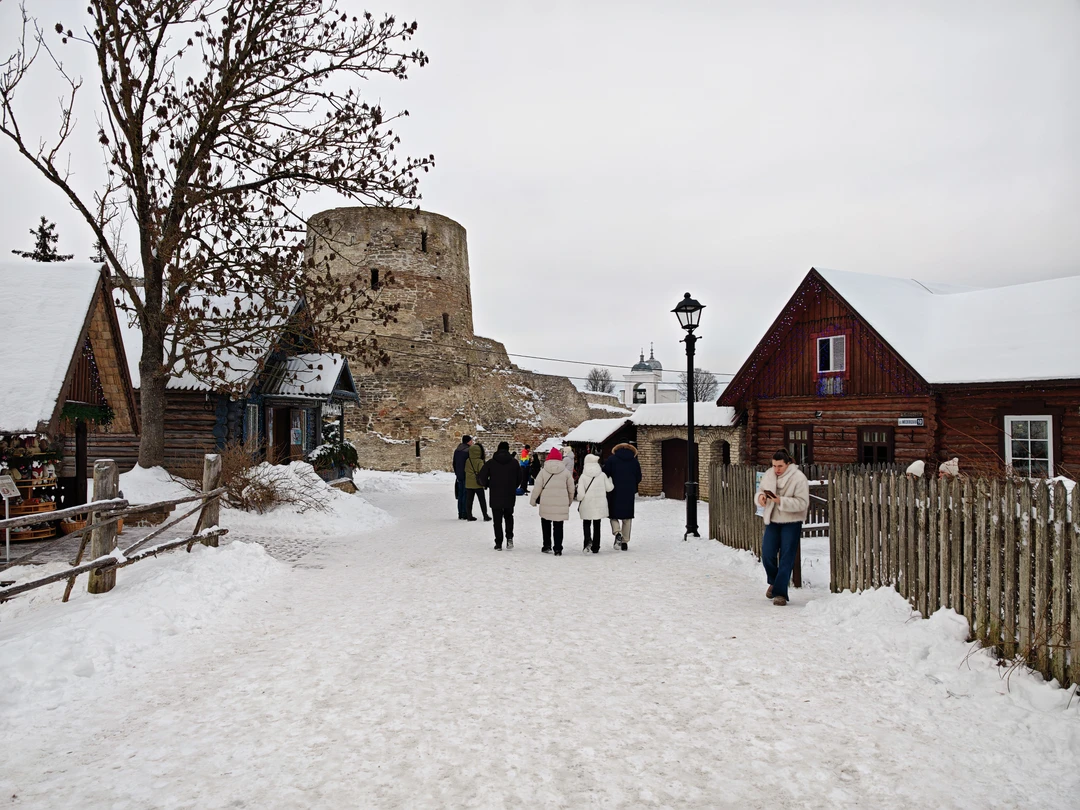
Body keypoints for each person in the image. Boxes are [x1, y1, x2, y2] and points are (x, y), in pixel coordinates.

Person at [755, 448, 810, 607]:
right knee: (767, 553)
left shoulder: (799, 478)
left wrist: (780, 501)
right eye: (774, 465)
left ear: (788, 464)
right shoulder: (769, 474)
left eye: (780, 466)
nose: (776, 469)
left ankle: (780, 593)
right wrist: (761, 498)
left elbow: (803, 503)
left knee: (787, 557)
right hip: (772, 520)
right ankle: (774, 581)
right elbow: (759, 491)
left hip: (791, 521)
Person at [529, 446, 575, 555]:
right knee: (558, 526)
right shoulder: (566, 472)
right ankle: (558, 548)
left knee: (546, 524)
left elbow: (537, 487)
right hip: (561, 503)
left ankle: (546, 545)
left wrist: (533, 500)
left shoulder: (543, 471)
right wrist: (569, 500)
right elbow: (571, 488)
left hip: (546, 503)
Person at [478, 441, 523, 550]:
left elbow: (481, 478)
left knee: (497, 520)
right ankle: (509, 538)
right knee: (509, 516)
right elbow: (519, 478)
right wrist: (513, 486)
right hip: (509, 493)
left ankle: (498, 542)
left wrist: (489, 484)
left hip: (495, 494)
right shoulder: (514, 463)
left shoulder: (491, 463)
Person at [603, 442, 641, 551]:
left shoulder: (611, 459)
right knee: (627, 517)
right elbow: (639, 477)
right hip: (628, 491)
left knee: (613, 514)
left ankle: (617, 532)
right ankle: (625, 541)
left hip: (614, 490)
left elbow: (605, 474)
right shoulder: (634, 461)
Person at [576, 452, 614, 553]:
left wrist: (579, 498)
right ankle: (596, 546)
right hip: (600, 504)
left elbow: (580, 495)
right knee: (597, 524)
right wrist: (610, 480)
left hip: (587, 504)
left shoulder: (583, 477)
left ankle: (587, 542)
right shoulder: (602, 475)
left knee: (586, 523)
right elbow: (609, 489)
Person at [464, 442, 491, 522]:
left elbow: (465, 470)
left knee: (469, 500)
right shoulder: (479, 461)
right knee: (482, 500)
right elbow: (482, 472)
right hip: (477, 484)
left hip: (469, 483)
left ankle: (469, 515)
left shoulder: (467, 460)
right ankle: (485, 515)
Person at [452, 435, 473, 520]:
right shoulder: (468, 451)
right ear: (468, 441)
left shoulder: (457, 450)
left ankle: (460, 513)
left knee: (460, 494)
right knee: (465, 494)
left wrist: (457, 473)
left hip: (459, 475)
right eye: (471, 441)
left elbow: (454, 463)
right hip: (466, 475)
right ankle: (465, 513)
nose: (472, 442)